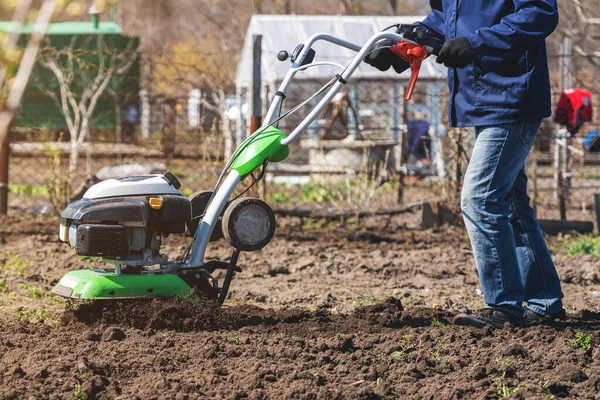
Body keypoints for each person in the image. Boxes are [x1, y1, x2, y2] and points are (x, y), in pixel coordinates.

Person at [365, 0, 564, 329]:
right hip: (484, 97)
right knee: (510, 204)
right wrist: (411, 46)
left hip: (512, 94)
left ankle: (504, 306)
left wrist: (476, 43)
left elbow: (541, 13)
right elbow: (447, 16)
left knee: (481, 199)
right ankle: (544, 301)